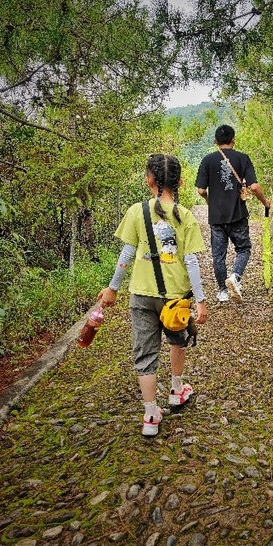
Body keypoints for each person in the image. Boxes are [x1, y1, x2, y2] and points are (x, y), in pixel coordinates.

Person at [98, 154, 208, 437]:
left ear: (149, 179)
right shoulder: (186, 216)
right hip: (176, 297)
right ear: (181, 181)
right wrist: (200, 300)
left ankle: (150, 415)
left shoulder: (136, 211)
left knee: (144, 354)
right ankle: (175, 390)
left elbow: (127, 254)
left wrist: (112, 287)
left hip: (142, 294)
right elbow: (192, 262)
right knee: (177, 339)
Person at [195, 124, 271, 303]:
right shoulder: (243, 158)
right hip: (237, 214)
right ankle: (235, 277)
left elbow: (200, 190)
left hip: (216, 216)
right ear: (233, 139)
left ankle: (222, 290)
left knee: (218, 255)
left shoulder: (207, 160)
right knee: (243, 249)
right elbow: (254, 186)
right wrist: (265, 202)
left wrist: (209, 200)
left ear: (215, 141)